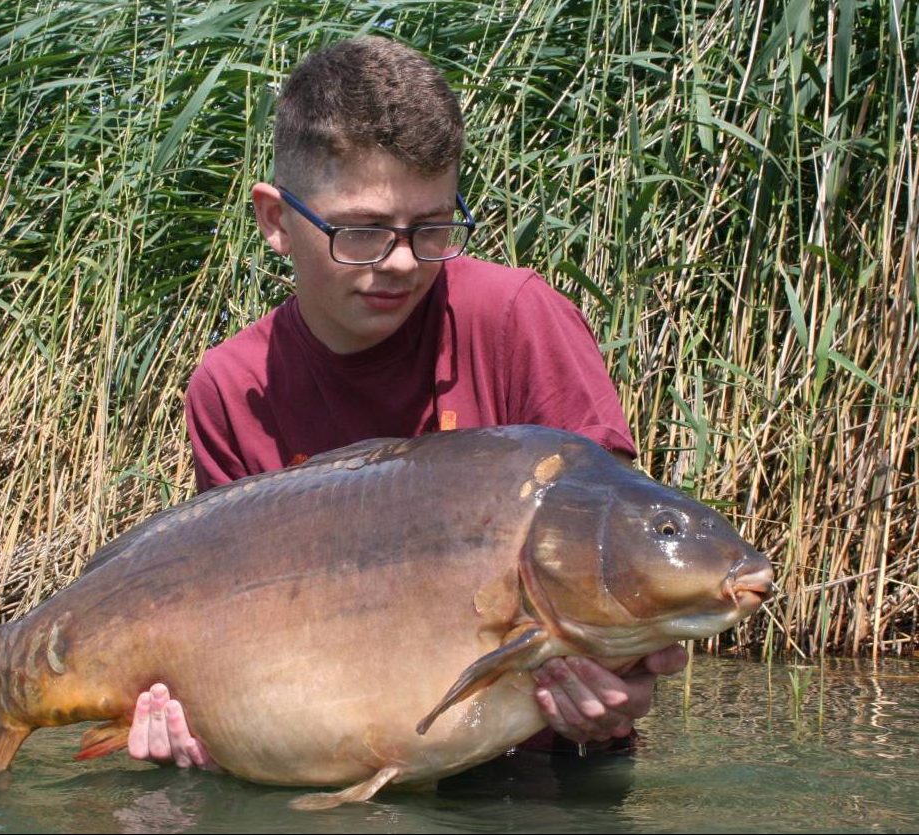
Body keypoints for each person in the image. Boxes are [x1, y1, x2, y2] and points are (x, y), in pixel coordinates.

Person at [125, 36, 687, 770]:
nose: (400, 262)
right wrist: (207, 724)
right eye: (361, 231)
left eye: (431, 229)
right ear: (275, 220)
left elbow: (615, 562)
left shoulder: (519, 319)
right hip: (338, 772)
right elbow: (233, 634)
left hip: (542, 769)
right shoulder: (233, 387)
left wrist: (622, 689)